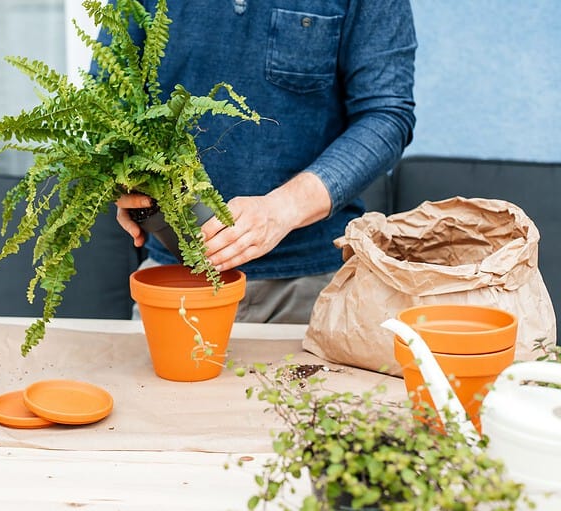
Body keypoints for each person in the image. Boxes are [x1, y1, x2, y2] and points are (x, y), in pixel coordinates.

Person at [112, 0, 417, 323]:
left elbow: (386, 116)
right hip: (175, 279)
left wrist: (282, 209)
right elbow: (108, 101)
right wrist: (121, 174)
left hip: (312, 288)